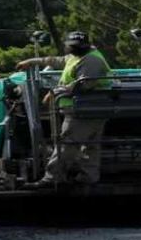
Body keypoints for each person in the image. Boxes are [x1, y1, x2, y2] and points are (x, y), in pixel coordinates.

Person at [16, 31, 112, 188]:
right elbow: (57, 60)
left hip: (84, 109)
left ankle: (52, 177)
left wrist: (54, 92)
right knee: (89, 145)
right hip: (86, 108)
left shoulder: (92, 60)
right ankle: (88, 177)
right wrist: (32, 61)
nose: (74, 49)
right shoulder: (77, 56)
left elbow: (83, 84)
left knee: (68, 144)